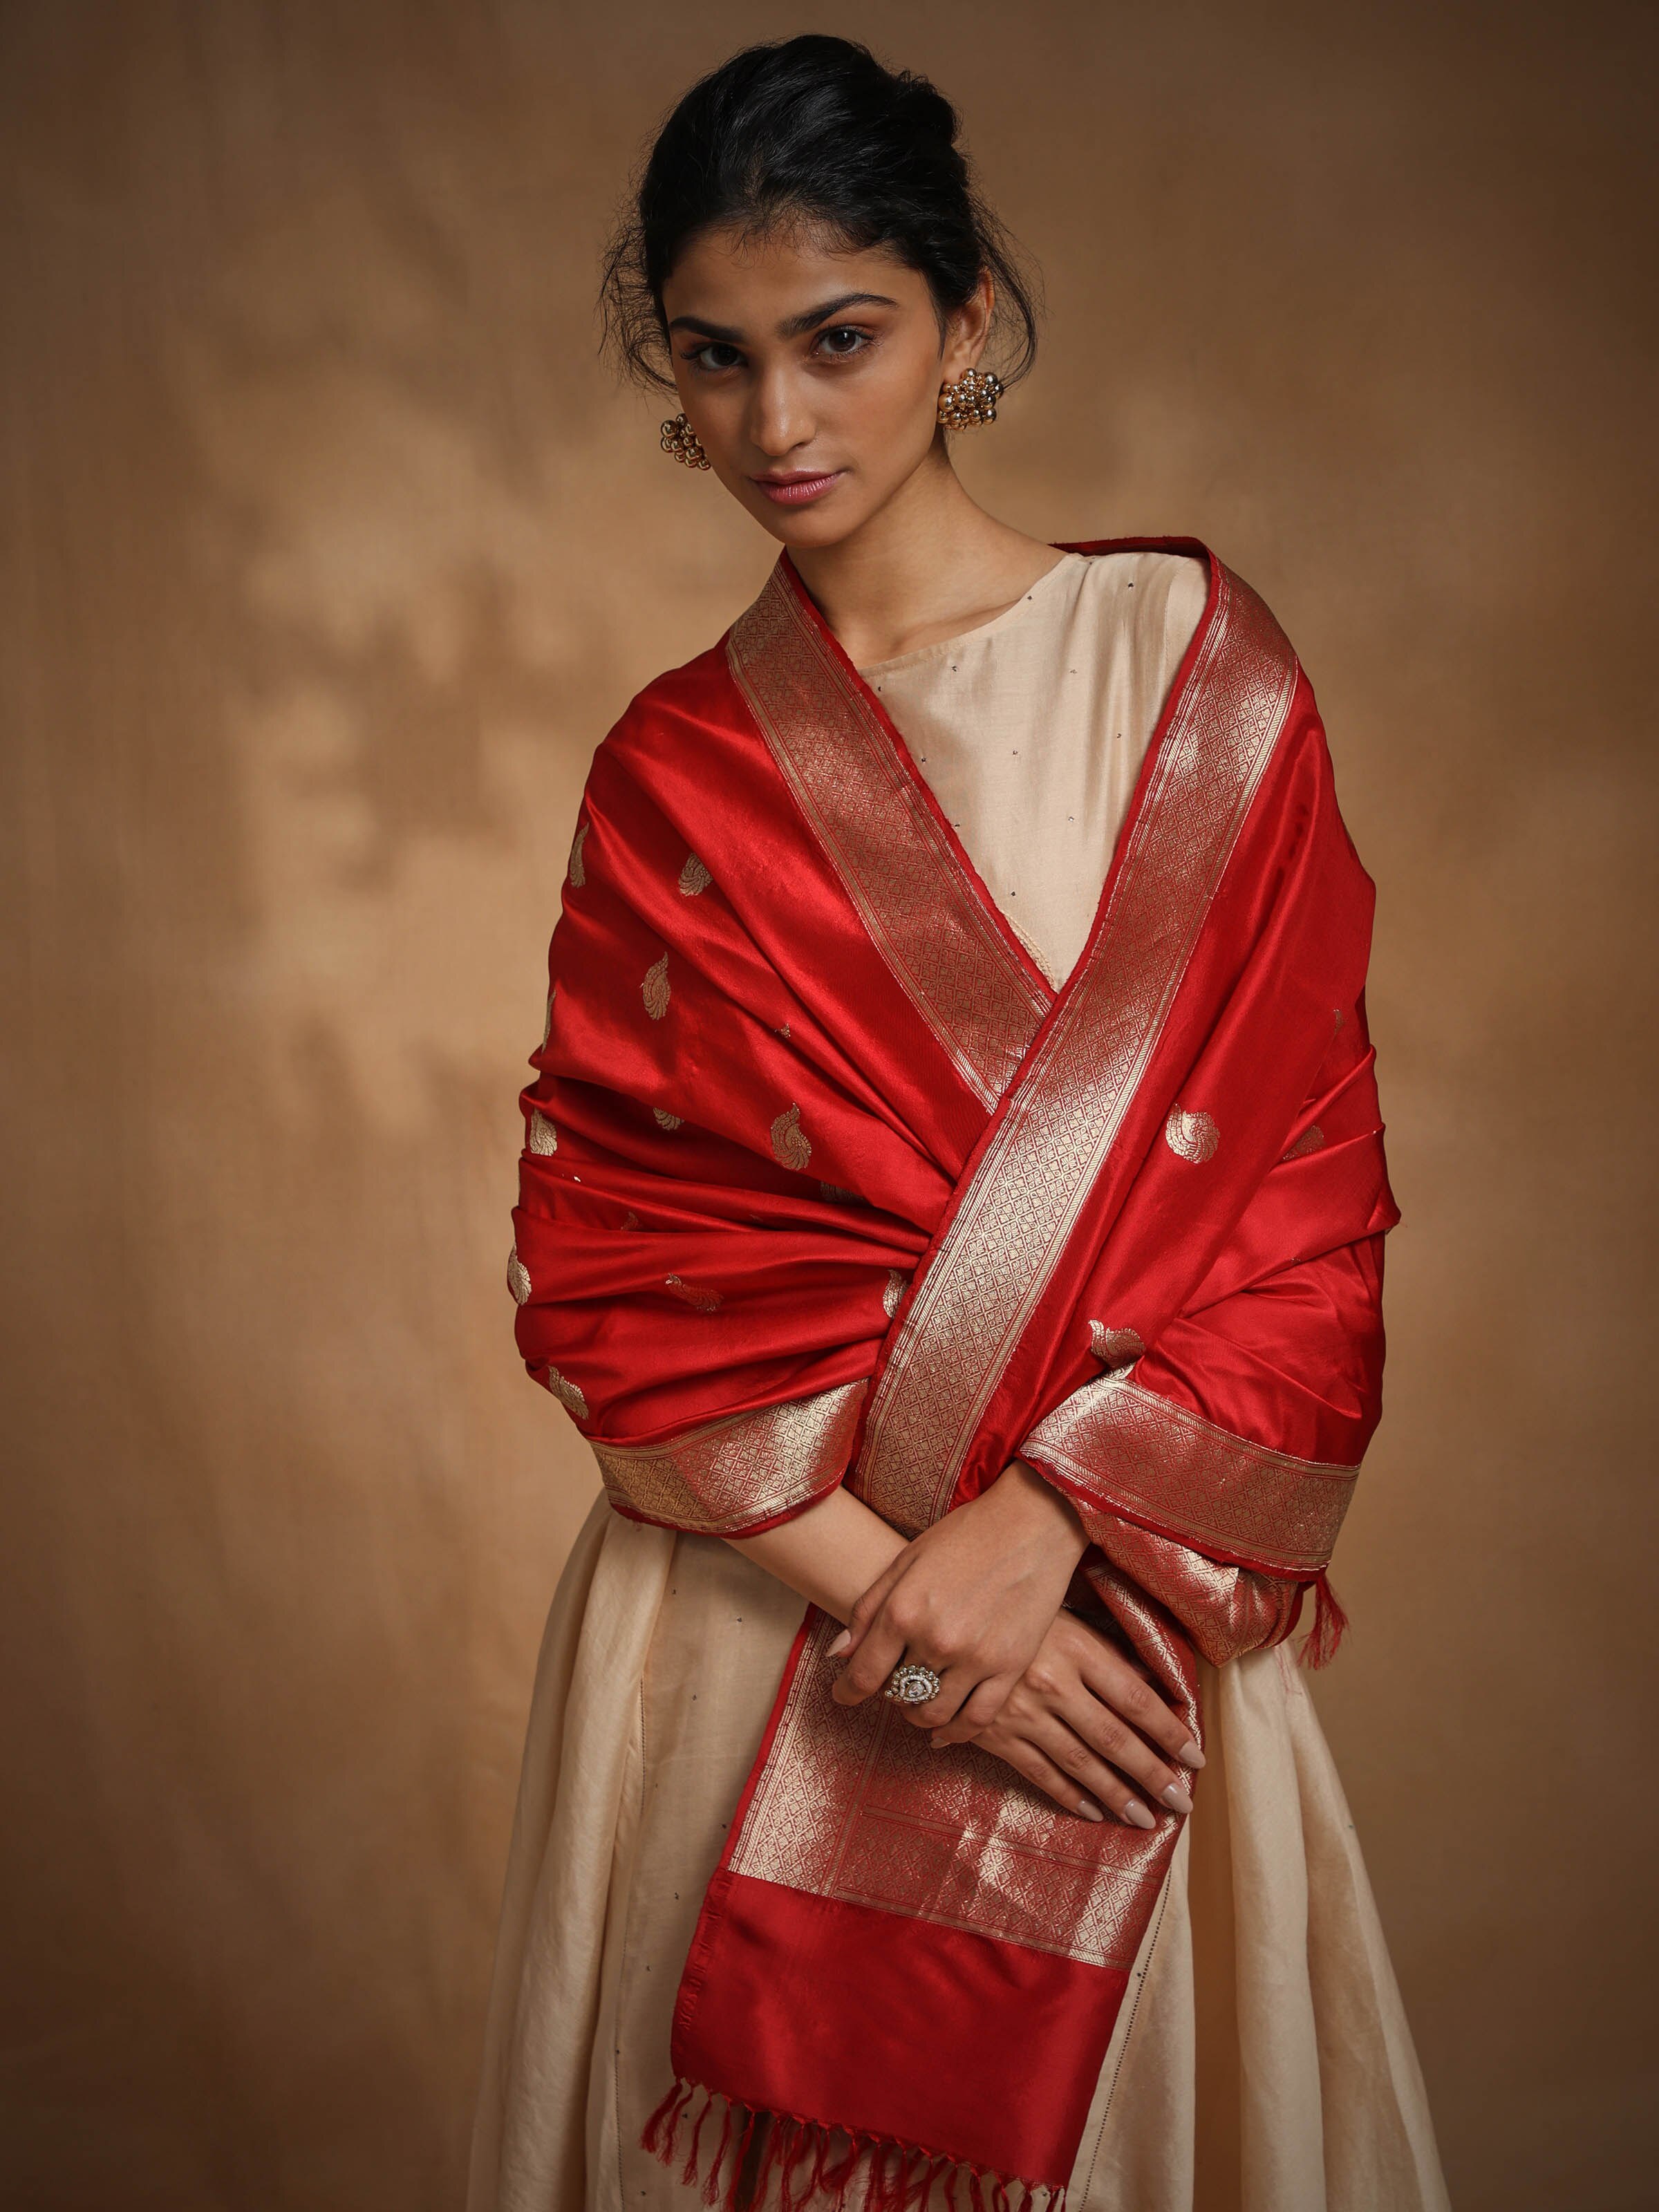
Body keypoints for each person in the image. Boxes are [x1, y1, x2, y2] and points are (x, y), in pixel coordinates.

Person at [468, 35, 1449, 2212]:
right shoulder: (674, 774)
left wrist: (1047, 1543)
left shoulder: (1188, 667)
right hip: (758, 1625)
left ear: (965, 324)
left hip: (1116, 1610)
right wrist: (918, 1620)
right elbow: (615, 1293)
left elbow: (1305, 1222)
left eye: (841, 340)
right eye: (717, 362)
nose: (777, 425)